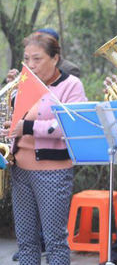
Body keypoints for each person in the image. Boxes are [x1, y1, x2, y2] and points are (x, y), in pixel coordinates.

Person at [2, 32, 87, 264]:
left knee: (55, 242)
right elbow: (11, 118)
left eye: (37, 59)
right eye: (26, 59)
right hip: (20, 169)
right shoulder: (23, 83)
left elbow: (69, 126)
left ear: (55, 58)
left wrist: (26, 127)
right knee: (26, 242)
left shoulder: (71, 85)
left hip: (54, 172)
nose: (30, 65)